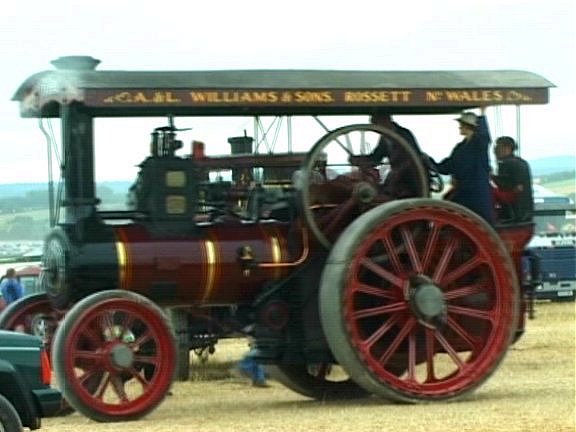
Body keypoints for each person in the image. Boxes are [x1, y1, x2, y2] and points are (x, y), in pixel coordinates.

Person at [430, 109, 494, 224]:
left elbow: (484, 136)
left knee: (481, 222)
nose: (459, 127)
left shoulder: (479, 144)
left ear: (469, 126)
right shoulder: (460, 147)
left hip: (477, 192)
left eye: (461, 125)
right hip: (463, 191)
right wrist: (430, 163)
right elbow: (448, 165)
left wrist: (483, 114)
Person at [365, 113, 425, 199]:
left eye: (377, 125)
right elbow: (376, 158)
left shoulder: (404, 134)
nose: (376, 130)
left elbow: (413, 157)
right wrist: (361, 160)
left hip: (412, 180)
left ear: (386, 121)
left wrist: (397, 172)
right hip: (397, 178)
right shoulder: (385, 138)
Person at [491, 136, 534, 223]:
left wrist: (490, 176)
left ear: (507, 148)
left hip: (513, 213)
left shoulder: (507, 163)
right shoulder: (521, 162)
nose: (495, 151)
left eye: (498, 148)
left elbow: (504, 185)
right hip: (525, 213)